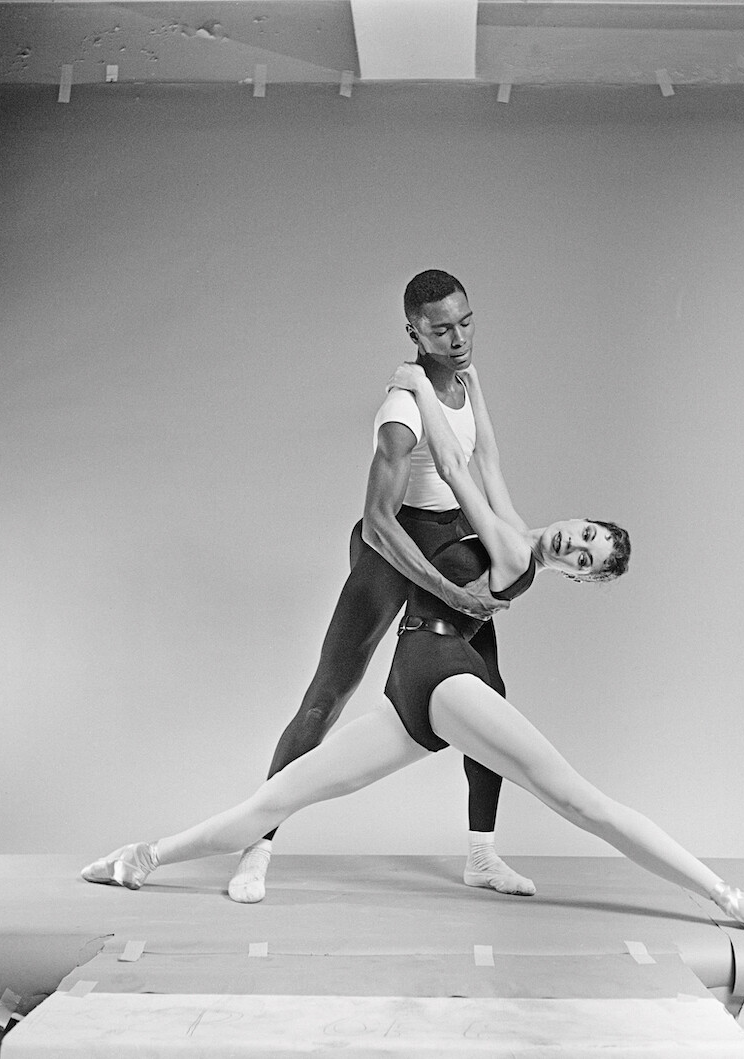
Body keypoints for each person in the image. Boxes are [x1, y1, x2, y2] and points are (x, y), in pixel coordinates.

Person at [82, 361, 744, 936]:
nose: (577, 545)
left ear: (573, 575)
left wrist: (415, 381)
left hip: (441, 677)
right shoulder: (516, 523)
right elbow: (491, 456)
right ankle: (141, 857)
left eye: (586, 560)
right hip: (413, 690)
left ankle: (734, 901)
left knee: (579, 798)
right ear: (577, 518)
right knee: (280, 795)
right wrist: (475, 385)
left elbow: (460, 465)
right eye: (586, 533)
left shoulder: (514, 558)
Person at [228, 270, 533, 904]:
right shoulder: (402, 412)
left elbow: (477, 468)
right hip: (392, 551)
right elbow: (377, 523)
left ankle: (481, 855)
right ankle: (256, 846)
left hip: (449, 541)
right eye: (441, 328)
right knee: (325, 700)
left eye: (466, 322)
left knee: (490, 697)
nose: (458, 338)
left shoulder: (463, 384)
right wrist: (450, 595)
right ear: (413, 331)